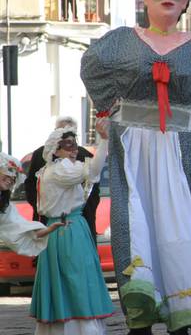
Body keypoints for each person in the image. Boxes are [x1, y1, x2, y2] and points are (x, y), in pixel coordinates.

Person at [80, 0, 191, 333]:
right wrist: (108, 109)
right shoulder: (121, 40)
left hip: (178, 146)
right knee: (134, 223)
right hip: (133, 143)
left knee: (181, 227)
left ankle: (183, 311)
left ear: (186, 1)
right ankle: (142, 310)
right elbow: (91, 67)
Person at [30, 121, 114, 335]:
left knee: (73, 277)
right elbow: (94, 170)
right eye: (68, 145)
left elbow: (91, 175)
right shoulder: (61, 169)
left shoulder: (55, 168)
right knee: (75, 277)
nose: (74, 149)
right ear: (56, 150)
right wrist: (104, 139)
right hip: (67, 230)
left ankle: (69, 327)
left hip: (67, 228)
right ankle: (81, 329)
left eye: (75, 144)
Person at [26, 116, 101, 247]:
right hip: (48, 216)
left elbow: (94, 186)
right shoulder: (40, 154)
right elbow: (31, 184)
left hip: (80, 215)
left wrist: (85, 208)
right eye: (62, 131)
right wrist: (41, 206)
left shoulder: (85, 155)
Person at [0, 153, 62, 256]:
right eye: (9, 171)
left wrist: (49, 229)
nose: (11, 178)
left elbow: (20, 230)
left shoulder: (5, 206)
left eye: (15, 177)